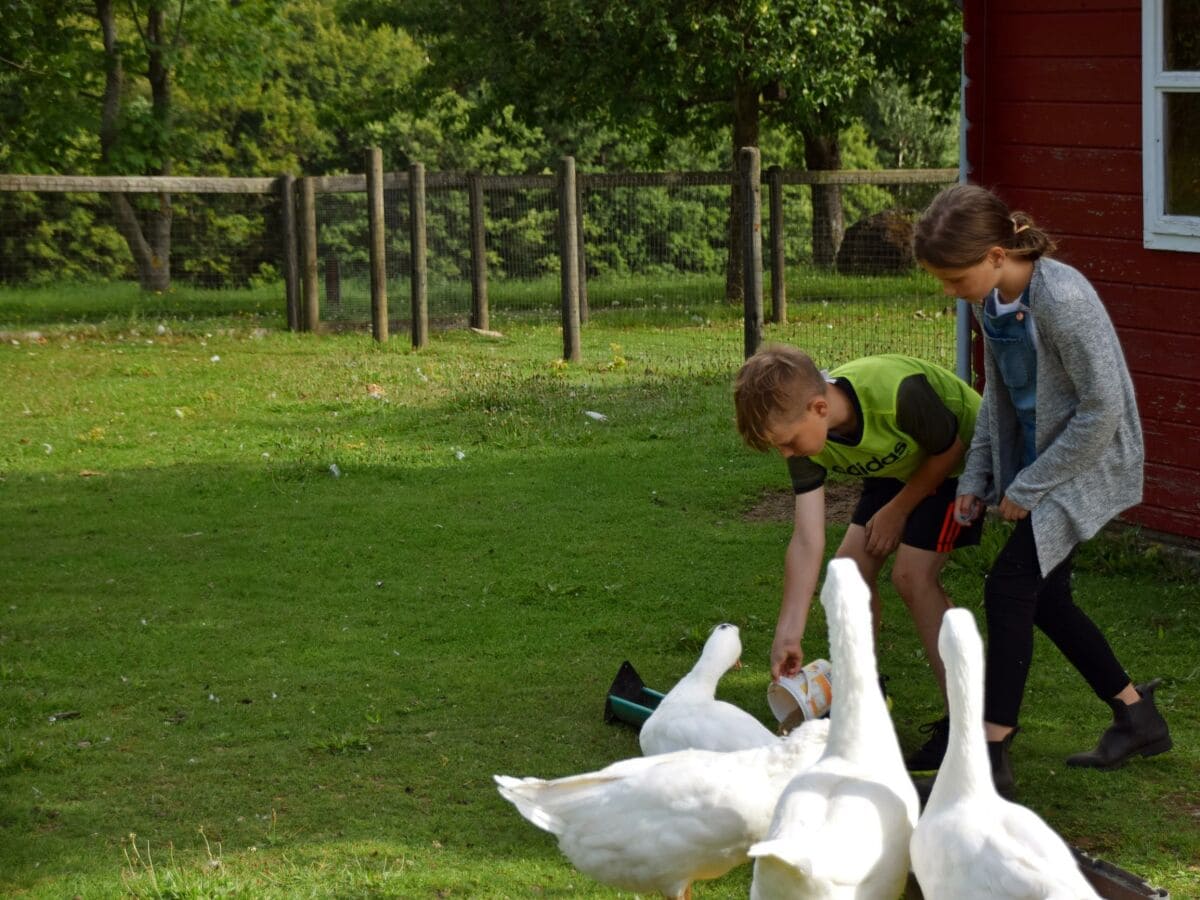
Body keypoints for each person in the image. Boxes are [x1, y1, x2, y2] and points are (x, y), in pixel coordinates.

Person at [913, 183, 1172, 795]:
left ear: (997, 254)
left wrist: (1029, 485)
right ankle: (1138, 717)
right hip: (1040, 461)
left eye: (955, 278)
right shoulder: (992, 303)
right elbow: (999, 397)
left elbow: (1103, 409)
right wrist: (978, 477)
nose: (950, 292)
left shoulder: (1063, 298)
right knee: (1046, 599)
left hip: (1088, 460)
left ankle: (991, 756)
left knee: (1009, 589)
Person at [734, 347, 983, 771]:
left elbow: (950, 445)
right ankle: (864, 696)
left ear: (819, 408)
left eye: (789, 442)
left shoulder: (896, 394)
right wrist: (788, 631)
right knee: (845, 575)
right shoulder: (808, 438)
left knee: (912, 577)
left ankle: (969, 725)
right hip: (899, 465)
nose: (788, 455)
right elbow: (807, 538)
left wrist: (899, 510)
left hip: (963, 460)